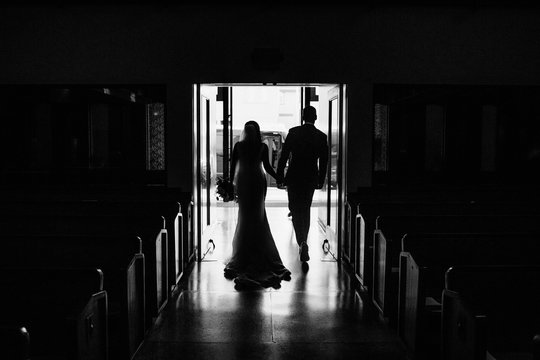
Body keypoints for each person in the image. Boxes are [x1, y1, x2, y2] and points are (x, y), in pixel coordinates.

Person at [224, 120, 291, 289]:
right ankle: (260, 249)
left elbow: (232, 170)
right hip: (257, 182)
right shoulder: (262, 147)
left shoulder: (238, 146)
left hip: (244, 183)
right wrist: (279, 178)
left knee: (245, 216)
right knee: (258, 216)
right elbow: (267, 167)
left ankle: (244, 251)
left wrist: (230, 187)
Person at [277, 106, 328, 262]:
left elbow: (284, 156)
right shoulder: (321, 136)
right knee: (305, 209)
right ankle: (303, 241)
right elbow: (324, 161)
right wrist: (321, 179)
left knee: (294, 207)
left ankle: (302, 241)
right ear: (316, 117)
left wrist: (280, 176)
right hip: (310, 178)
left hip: (294, 177)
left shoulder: (294, 132)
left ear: (302, 116)